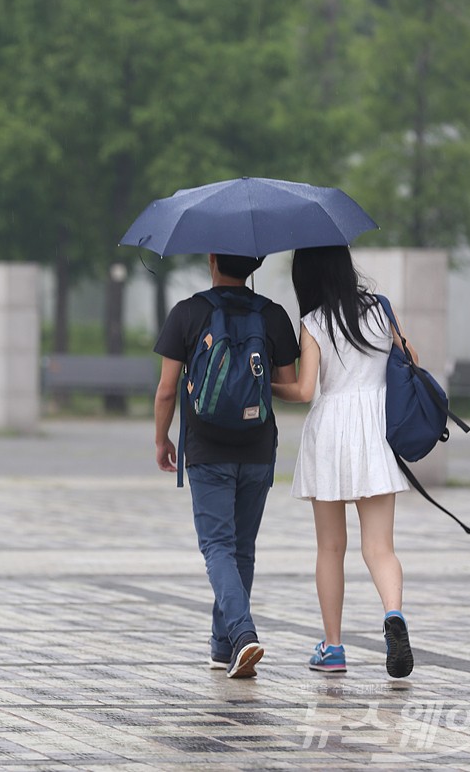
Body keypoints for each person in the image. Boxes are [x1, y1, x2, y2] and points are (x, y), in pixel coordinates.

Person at [272, 246, 416, 679]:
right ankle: (394, 615)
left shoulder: (314, 322)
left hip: (331, 434)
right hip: (376, 432)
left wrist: (268, 386)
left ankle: (333, 648)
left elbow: (303, 391)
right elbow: (411, 361)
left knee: (330, 548)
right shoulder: (380, 310)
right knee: (380, 547)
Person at [154, 253, 299, 678]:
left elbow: (166, 391)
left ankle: (241, 634)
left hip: (206, 447)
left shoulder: (188, 312)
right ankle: (223, 649)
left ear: (212, 259)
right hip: (257, 447)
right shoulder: (272, 315)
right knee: (242, 550)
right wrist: (250, 384)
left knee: (217, 547)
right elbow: (290, 387)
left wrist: (162, 438)